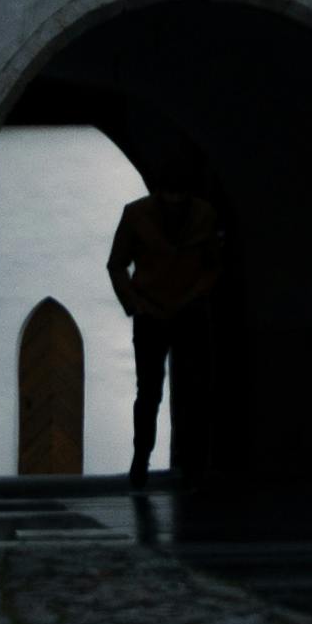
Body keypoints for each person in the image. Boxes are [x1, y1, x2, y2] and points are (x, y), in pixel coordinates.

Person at [105, 180, 229, 483]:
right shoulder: (197, 213)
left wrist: (139, 302)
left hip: (175, 310)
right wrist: (137, 305)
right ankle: (161, 460)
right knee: (156, 391)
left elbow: (117, 265)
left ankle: (173, 461)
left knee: (174, 390)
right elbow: (117, 265)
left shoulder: (144, 213)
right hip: (162, 311)